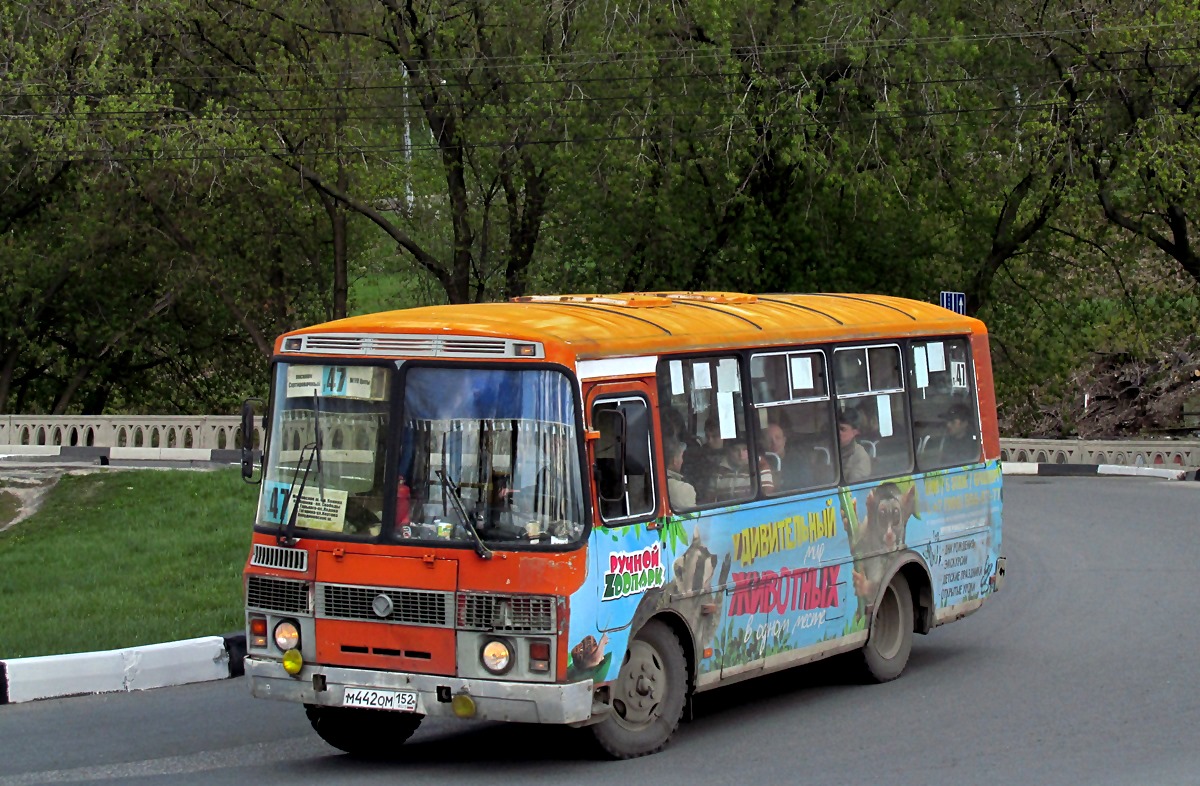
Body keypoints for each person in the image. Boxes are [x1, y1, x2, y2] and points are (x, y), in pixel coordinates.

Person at [764, 422, 805, 491]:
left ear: (784, 441)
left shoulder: (798, 462)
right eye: (769, 439)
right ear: (764, 443)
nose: (774, 442)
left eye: (778, 438)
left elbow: (805, 487)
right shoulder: (760, 464)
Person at [838, 410, 871, 484]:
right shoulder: (826, 451)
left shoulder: (860, 456)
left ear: (855, 432)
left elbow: (855, 487)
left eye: (843, 429)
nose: (838, 432)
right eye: (836, 428)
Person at [664, 438, 696, 508]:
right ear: (675, 460)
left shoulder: (652, 481)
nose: (683, 461)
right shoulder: (685, 489)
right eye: (682, 456)